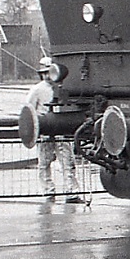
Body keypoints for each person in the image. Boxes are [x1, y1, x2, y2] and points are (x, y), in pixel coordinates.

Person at [26, 57, 80, 203]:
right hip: (45, 131)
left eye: (49, 72)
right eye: (45, 73)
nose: (47, 76)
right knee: (44, 162)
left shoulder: (63, 88)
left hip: (61, 130)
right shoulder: (37, 90)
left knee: (68, 162)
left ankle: (72, 193)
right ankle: (48, 191)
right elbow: (29, 110)